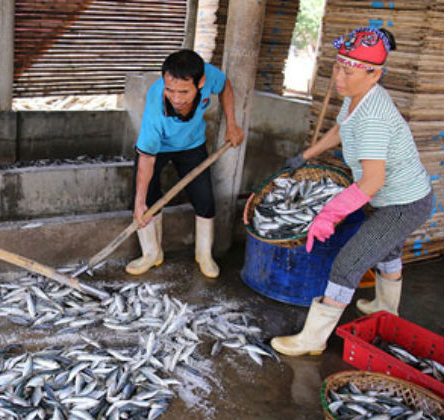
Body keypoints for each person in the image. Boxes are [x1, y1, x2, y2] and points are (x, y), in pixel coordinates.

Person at [271, 27, 433, 356]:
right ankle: (386, 310)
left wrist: (330, 213)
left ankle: (312, 340)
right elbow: (340, 129)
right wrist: (305, 156)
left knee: (348, 264)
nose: (339, 77)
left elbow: (373, 182)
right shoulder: (359, 98)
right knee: (386, 249)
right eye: (337, 66)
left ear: (374, 73)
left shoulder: (373, 116)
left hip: (404, 203)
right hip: (401, 198)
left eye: (348, 70)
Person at [127, 49, 244, 278]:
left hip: (192, 144)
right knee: (147, 198)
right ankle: (152, 253)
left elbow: (226, 86)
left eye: (183, 91)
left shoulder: (210, 76)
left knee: (204, 199)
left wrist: (232, 124)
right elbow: (147, 158)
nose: (176, 98)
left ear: (200, 83)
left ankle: (204, 254)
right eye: (170, 90)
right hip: (158, 148)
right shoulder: (155, 104)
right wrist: (139, 203)